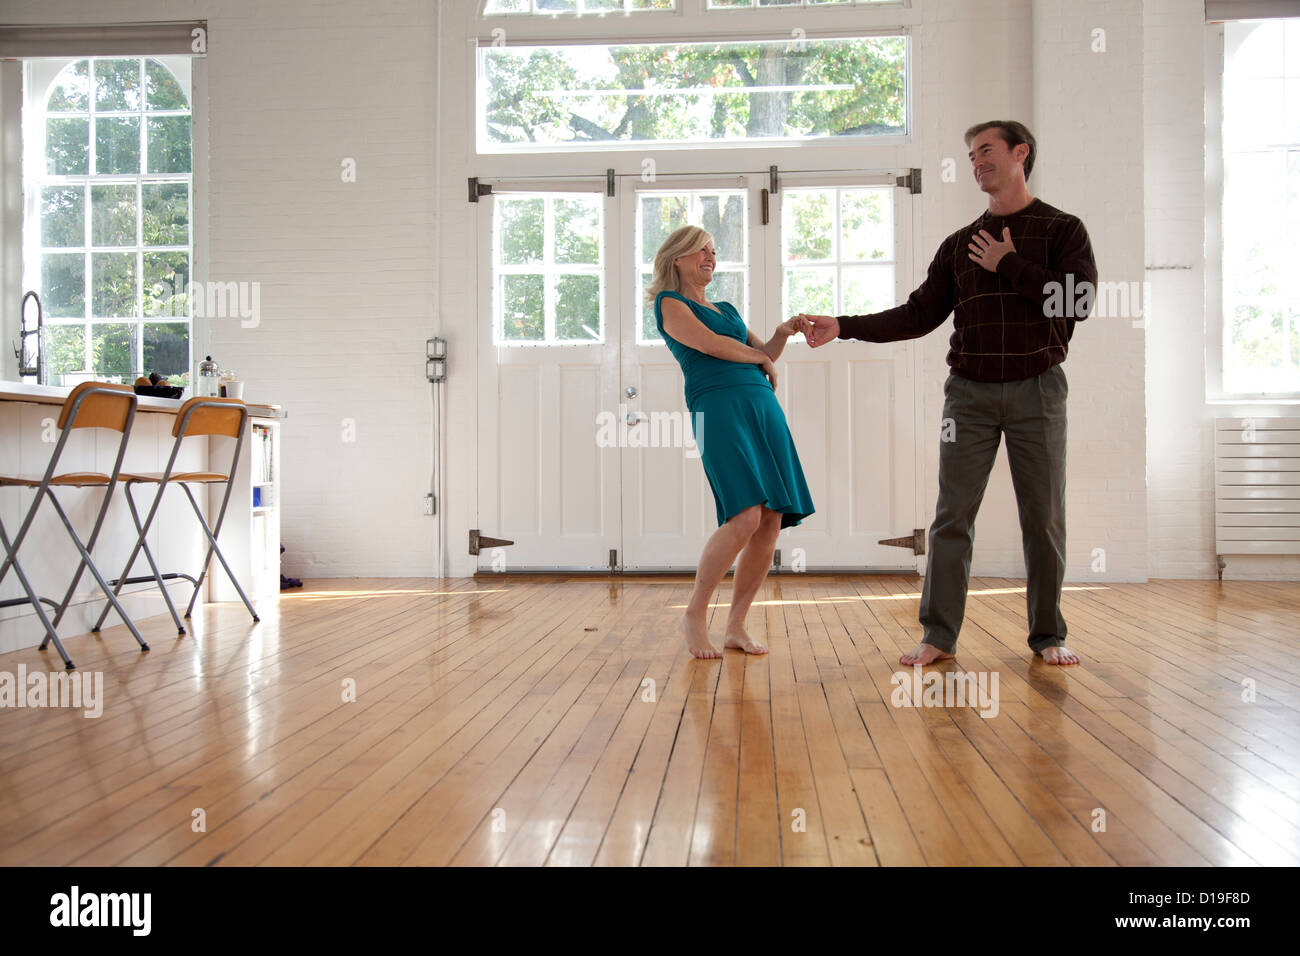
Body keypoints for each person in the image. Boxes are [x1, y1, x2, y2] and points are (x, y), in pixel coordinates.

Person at [800, 120, 1095, 667]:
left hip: (1039, 391)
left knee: (1043, 516)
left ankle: (1048, 635)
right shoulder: (960, 245)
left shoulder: (1062, 230)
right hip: (969, 397)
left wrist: (1008, 265)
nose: (976, 161)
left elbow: (1076, 301)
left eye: (986, 150)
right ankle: (939, 636)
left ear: (1020, 153)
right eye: (970, 154)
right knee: (951, 516)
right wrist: (844, 324)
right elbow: (918, 314)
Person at [652, 225, 815, 660]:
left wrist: (779, 334)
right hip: (719, 408)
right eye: (700, 250)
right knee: (743, 515)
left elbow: (767, 353)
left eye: (713, 250)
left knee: (770, 518)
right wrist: (759, 356)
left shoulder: (726, 307)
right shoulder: (670, 304)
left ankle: (736, 625)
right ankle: (694, 615)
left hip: (762, 407)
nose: (709, 256)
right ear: (677, 259)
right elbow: (714, 346)